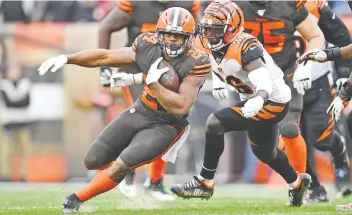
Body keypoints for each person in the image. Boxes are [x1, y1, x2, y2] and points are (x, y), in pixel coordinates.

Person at [37, 7, 211, 213]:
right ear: (159, 34)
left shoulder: (198, 62)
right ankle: (124, 171)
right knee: (93, 160)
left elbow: (182, 106)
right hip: (142, 109)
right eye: (168, 34)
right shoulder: (147, 44)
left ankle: (75, 200)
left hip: (168, 124)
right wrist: (68, 59)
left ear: (189, 38)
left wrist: (153, 84)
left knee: (121, 164)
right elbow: (105, 57)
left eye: (178, 36)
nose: (172, 40)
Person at [170, 0, 311, 207]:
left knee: (214, 123)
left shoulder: (245, 45)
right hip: (252, 98)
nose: (209, 35)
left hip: (272, 100)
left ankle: (205, 183)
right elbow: (214, 61)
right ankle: (297, 183)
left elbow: (262, 80)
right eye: (206, 29)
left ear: (231, 29)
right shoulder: (204, 42)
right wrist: (218, 80)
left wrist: (259, 99)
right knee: (264, 152)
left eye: (215, 30)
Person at [98, 0, 201, 200]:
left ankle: (155, 181)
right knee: (142, 118)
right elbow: (105, 27)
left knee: (171, 122)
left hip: (170, 72)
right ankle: (127, 172)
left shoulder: (187, 4)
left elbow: (201, 35)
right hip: (136, 69)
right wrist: (104, 69)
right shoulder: (135, 3)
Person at [291, 0, 352, 202]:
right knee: (292, 137)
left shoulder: (313, 5)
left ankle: (339, 152)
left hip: (317, 79)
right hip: (284, 84)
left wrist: (344, 72)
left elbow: (342, 37)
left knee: (321, 138)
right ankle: (315, 188)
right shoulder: (259, 9)